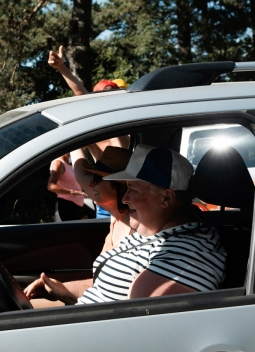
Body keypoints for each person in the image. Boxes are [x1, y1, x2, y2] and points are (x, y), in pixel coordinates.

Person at [24, 145, 226, 305]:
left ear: (166, 198)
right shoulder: (152, 232)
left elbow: (133, 332)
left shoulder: (185, 253)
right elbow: (110, 290)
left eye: (134, 190)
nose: (126, 198)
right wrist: (64, 290)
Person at [48, 45, 129, 218]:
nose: (111, 99)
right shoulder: (100, 128)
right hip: (107, 194)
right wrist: (62, 68)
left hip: (124, 194)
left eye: (115, 93)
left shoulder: (127, 126)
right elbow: (80, 93)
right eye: (105, 95)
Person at [47, 153, 92, 221]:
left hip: (78, 205)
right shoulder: (58, 162)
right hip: (68, 205)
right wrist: (72, 192)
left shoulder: (69, 162)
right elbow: (51, 186)